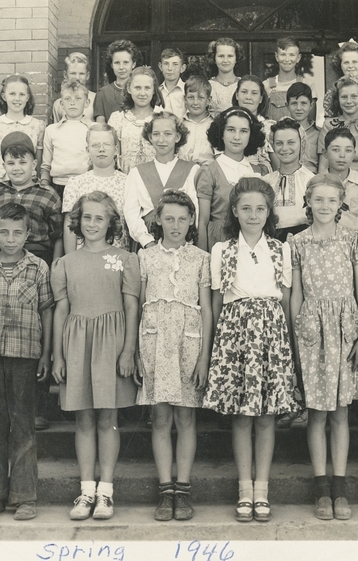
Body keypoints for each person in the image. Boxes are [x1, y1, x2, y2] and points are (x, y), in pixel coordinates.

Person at [203, 177, 301, 523]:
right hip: (235, 333)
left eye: (260, 208)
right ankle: (245, 489)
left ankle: (263, 490)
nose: (253, 214)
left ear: (269, 212)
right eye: (246, 208)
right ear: (234, 211)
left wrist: (287, 343)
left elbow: (286, 300)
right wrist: (218, 345)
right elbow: (216, 301)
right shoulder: (222, 250)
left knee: (266, 417)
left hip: (272, 333)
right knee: (242, 416)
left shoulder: (281, 249)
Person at [51, 191, 140, 521]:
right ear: (77, 221)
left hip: (112, 345)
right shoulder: (65, 263)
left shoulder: (124, 258)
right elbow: (62, 310)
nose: (92, 223)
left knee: (108, 419)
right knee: (83, 419)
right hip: (78, 344)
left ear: (111, 222)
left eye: (99, 218)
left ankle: (106, 493)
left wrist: (129, 350)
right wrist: (58, 356)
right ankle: (86, 491)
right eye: (86, 217)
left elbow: (131, 307)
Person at [289, 175, 358, 521]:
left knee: (340, 413)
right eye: (318, 200)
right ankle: (321, 488)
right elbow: (295, 294)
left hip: (346, 327)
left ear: (341, 205)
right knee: (317, 412)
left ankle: (340, 486)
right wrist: (296, 334)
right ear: (308, 203)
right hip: (312, 327)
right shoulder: (297, 242)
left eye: (331, 201)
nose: (324, 207)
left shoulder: (353, 240)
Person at [0, 203, 54, 522]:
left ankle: (24, 496)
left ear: (28, 235)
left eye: (18, 233)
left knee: (23, 425)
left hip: (26, 354)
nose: (10, 238)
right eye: (3, 232)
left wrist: (46, 353)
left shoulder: (38, 268)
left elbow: (47, 309)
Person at [136, 190, 213, 521]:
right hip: (154, 343)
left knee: (185, 418)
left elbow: (207, 310)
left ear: (192, 221)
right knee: (161, 418)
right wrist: (138, 353)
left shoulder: (201, 258)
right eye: (169, 218)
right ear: (158, 220)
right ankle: (165, 491)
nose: (176, 225)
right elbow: (138, 306)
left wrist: (204, 357)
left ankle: (183, 490)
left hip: (189, 344)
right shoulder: (145, 257)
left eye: (183, 219)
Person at [0, 132, 63, 268]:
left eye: (22, 162)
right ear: (4, 166)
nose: (16, 168)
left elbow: (58, 235)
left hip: (39, 257)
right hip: (2, 258)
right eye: (11, 163)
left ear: (33, 165)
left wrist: (55, 265)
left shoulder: (48, 195)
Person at [124, 111, 200, 249]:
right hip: (147, 242)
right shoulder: (136, 172)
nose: (161, 140)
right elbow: (131, 213)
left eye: (167, 134)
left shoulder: (192, 170)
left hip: (181, 242)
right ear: (150, 137)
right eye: (156, 134)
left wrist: (185, 242)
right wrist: (147, 242)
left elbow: (194, 211)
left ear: (177, 137)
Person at [195, 106, 265, 251]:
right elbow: (202, 221)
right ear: (221, 133)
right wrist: (202, 257)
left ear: (251, 135)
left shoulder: (259, 172)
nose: (237, 137)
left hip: (252, 245)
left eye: (243, 131)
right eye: (231, 130)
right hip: (219, 244)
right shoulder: (209, 172)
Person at [63, 124, 130, 252]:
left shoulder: (128, 182)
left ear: (116, 149)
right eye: (95, 145)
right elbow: (69, 226)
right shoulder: (75, 183)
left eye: (107, 144)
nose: (101, 149)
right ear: (87, 149)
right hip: (84, 258)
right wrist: (71, 261)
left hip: (117, 258)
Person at [0, 74, 46, 194]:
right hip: (0, 189)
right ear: (4, 96)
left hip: (29, 189)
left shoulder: (38, 126)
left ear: (27, 97)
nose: (17, 98)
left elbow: (39, 163)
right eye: (12, 94)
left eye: (22, 94)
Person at [318, 77, 358, 178]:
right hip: (336, 177)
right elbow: (323, 163)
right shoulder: (329, 124)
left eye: (354, 96)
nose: (349, 101)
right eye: (344, 97)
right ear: (337, 99)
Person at [263, 118, 315, 241]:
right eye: (279, 143)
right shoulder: (266, 182)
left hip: (304, 243)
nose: (285, 148)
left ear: (301, 143)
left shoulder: (311, 181)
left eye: (291, 142)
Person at [40, 80, 93, 198]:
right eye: (67, 99)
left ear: (87, 102)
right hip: (58, 186)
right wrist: (45, 185)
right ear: (61, 104)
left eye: (78, 98)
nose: (72, 103)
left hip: (86, 185)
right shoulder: (52, 130)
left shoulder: (93, 129)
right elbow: (46, 164)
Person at [108, 66, 164, 174]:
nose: (142, 93)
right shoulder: (119, 119)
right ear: (129, 89)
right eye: (137, 88)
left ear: (153, 90)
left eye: (147, 88)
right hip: (126, 179)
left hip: (155, 179)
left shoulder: (162, 118)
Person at [321, 128, 358, 234]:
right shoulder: (318, 183)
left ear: (354, 153)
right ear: (325, 153)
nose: (342, 155)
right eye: (336, 150)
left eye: (348, 150)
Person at [262, 36, 318, 122]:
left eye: (292, 55)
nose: (287, 59)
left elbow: (311, 122)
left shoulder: (307, 85)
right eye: (283, 54)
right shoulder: (266, 85)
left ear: (298, 58)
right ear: (277, 57)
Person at [231, 75, 277, 173]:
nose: (248, 97)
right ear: (237, 95)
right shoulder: (225, 124)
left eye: (254, 93)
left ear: (260, 99)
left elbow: (278, 167)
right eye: (244, 92)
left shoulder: (269, 128)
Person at [94, 40, 143, 124]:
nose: (121, 67)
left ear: (134, 64)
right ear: (111, 65)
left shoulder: (141, 91)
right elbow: (100, 125)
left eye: (126, 62)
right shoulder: (103, 93)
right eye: (117, 63)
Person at [178, 75, 215, 168]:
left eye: (200, 98)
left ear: (208, 100)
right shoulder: (179, 125)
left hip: (208, 172)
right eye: (191, 97)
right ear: (185, 99)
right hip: (183, 171)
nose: (195, 102)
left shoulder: (215, 126)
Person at [52, 52, 96, 123]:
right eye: (73, 73)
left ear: (87, 75)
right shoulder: (59, 104)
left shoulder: (96, 99)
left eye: (81, 73)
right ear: (65, 75)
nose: (77, 78)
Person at [286, 82, 320, 173]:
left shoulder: (319, 134)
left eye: (303, 103)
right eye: (294, 103)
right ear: (287, 106)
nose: (299, 108)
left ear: (311, 105)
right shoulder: (281, 133)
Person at [206, 37, 244, 117]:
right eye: (221, 56)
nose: (225, 60)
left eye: (230, 56)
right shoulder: (207, 86)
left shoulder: (243, 85)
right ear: (214, 58)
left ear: (236, 58)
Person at [158, 48, 188, 120]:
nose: (170, 68)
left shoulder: (187, 90)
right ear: (160, 66)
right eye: (166, 63)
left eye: (175, 64)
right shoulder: (157, 92)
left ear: (182, 68)